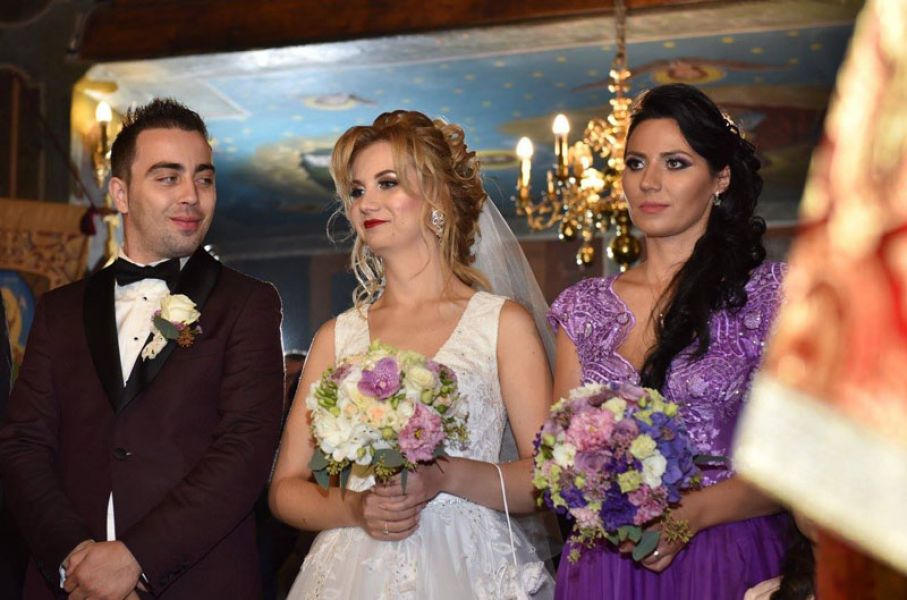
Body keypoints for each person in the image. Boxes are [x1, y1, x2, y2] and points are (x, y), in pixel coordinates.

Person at [0, 99, 284, 599]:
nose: (191, 195)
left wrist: (136, 560)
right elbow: (23, 445)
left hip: (195, 584)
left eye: (204, 178)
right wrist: (75, 560)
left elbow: (245, 450)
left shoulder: (248, 303)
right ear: (121, 193)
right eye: (168, 177)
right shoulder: (60, 310)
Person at [270, 110, 555, 599]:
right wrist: (356, 508)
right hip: (354, 569)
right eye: (357, 190)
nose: (366, 203)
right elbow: (285, 488)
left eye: (387, 183)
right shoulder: (337, 337)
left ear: (437, 197)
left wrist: (446, 475)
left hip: (473, 568)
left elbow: (544, 479)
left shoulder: (502, 325)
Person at [548, 83, 787, 599]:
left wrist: (692, 514)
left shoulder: (771, 297)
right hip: (606, 565)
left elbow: (801, 463)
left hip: (726, 554)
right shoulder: (581, 308)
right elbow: (559, 462)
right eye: (635, 163)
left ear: (720, 178)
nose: (649, 182)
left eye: (675, 163)